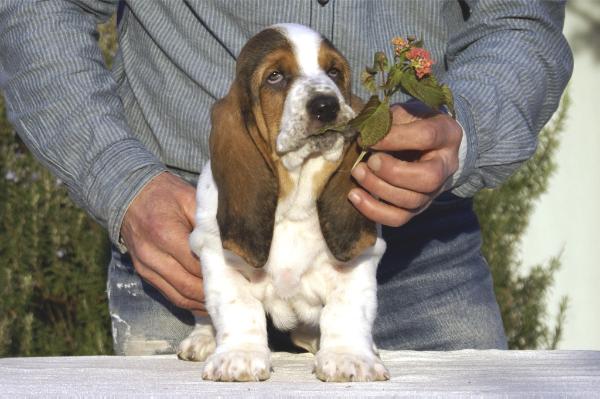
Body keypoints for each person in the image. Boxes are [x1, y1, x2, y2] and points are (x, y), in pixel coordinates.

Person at [0, 1, 572, 355]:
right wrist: (119, 180)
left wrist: (464, 128)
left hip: (408, 237)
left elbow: (521, 21)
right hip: (190, 243)